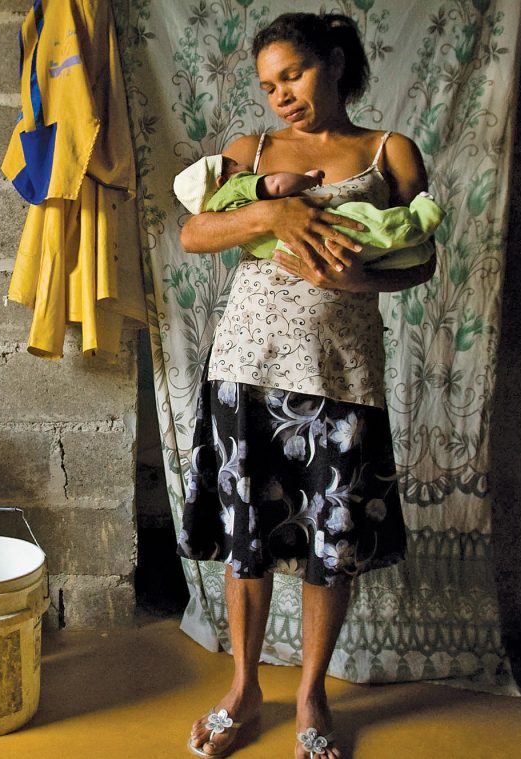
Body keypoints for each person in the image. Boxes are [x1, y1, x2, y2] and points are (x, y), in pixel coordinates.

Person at [178, 13, 436, 759]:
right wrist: (270, 208)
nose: (281, 96)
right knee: (246, 541)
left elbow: (423, 256)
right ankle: (243, 687)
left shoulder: (389, 150)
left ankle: (313, 692)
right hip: (246, 369)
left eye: (293, 74)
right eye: (268, 85)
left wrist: (367, 276)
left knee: (334, 542)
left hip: (341, 372)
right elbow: (196, 233)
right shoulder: (249, 152)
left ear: (332, 61)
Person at [173, 154, 443, 270]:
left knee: (370, 258)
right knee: (366, 223)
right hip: (250, 346)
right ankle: (421, 217)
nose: (242, 165)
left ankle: (416, 253)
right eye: (232, 164)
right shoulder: (236, 185)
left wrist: (357, 283)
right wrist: (308, 180)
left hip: (290, 252)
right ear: (221, 180)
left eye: (293, 76)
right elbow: (191, 237)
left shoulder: (218, 205)